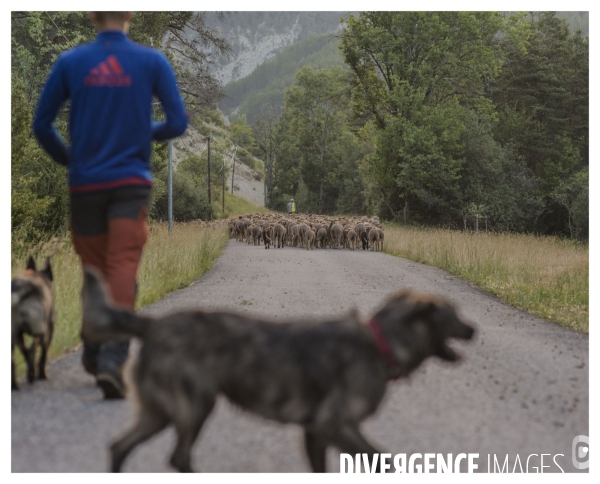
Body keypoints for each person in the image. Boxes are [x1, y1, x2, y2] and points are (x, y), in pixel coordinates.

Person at [33, 12, 188, 398]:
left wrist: (72, 159)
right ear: (131, 13)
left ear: (91, 14)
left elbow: (41, 124)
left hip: (85, 184)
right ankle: (112, 356)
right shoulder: (152, 62)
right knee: (123, 264)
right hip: (130, 184)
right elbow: (178, 123)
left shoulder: (70, 62)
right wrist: (140, 133)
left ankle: (94, 343)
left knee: (94, 267)